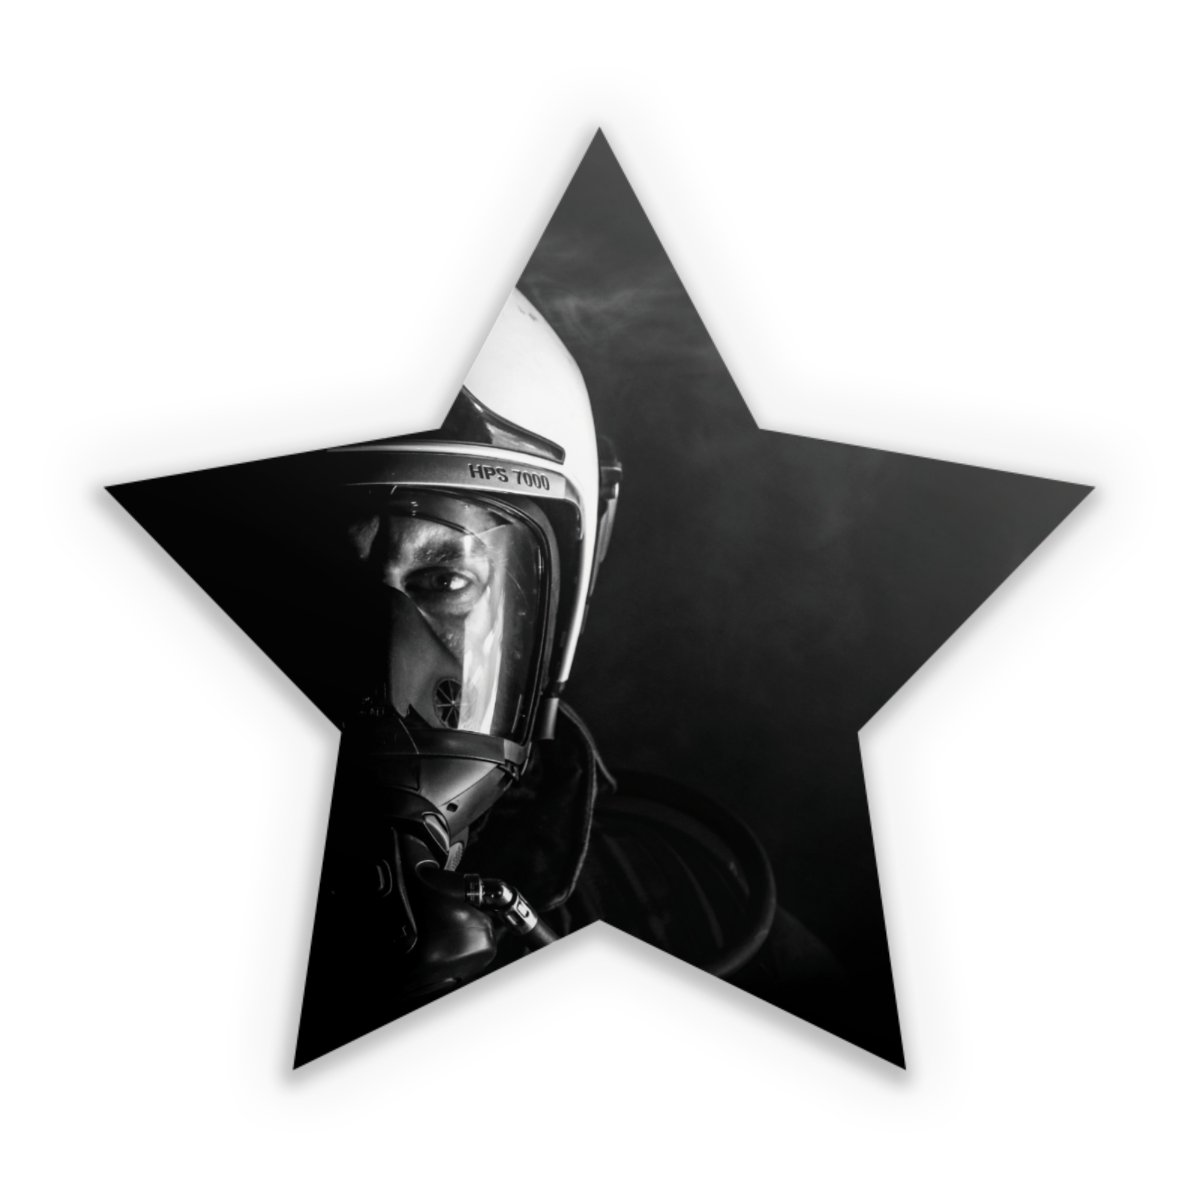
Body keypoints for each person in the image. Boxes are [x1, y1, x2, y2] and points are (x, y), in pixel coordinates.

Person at [295, 290, 844, 1065]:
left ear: (546, 616)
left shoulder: (685, 909)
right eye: (318, 582)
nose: (387, 667)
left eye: (447, 582)